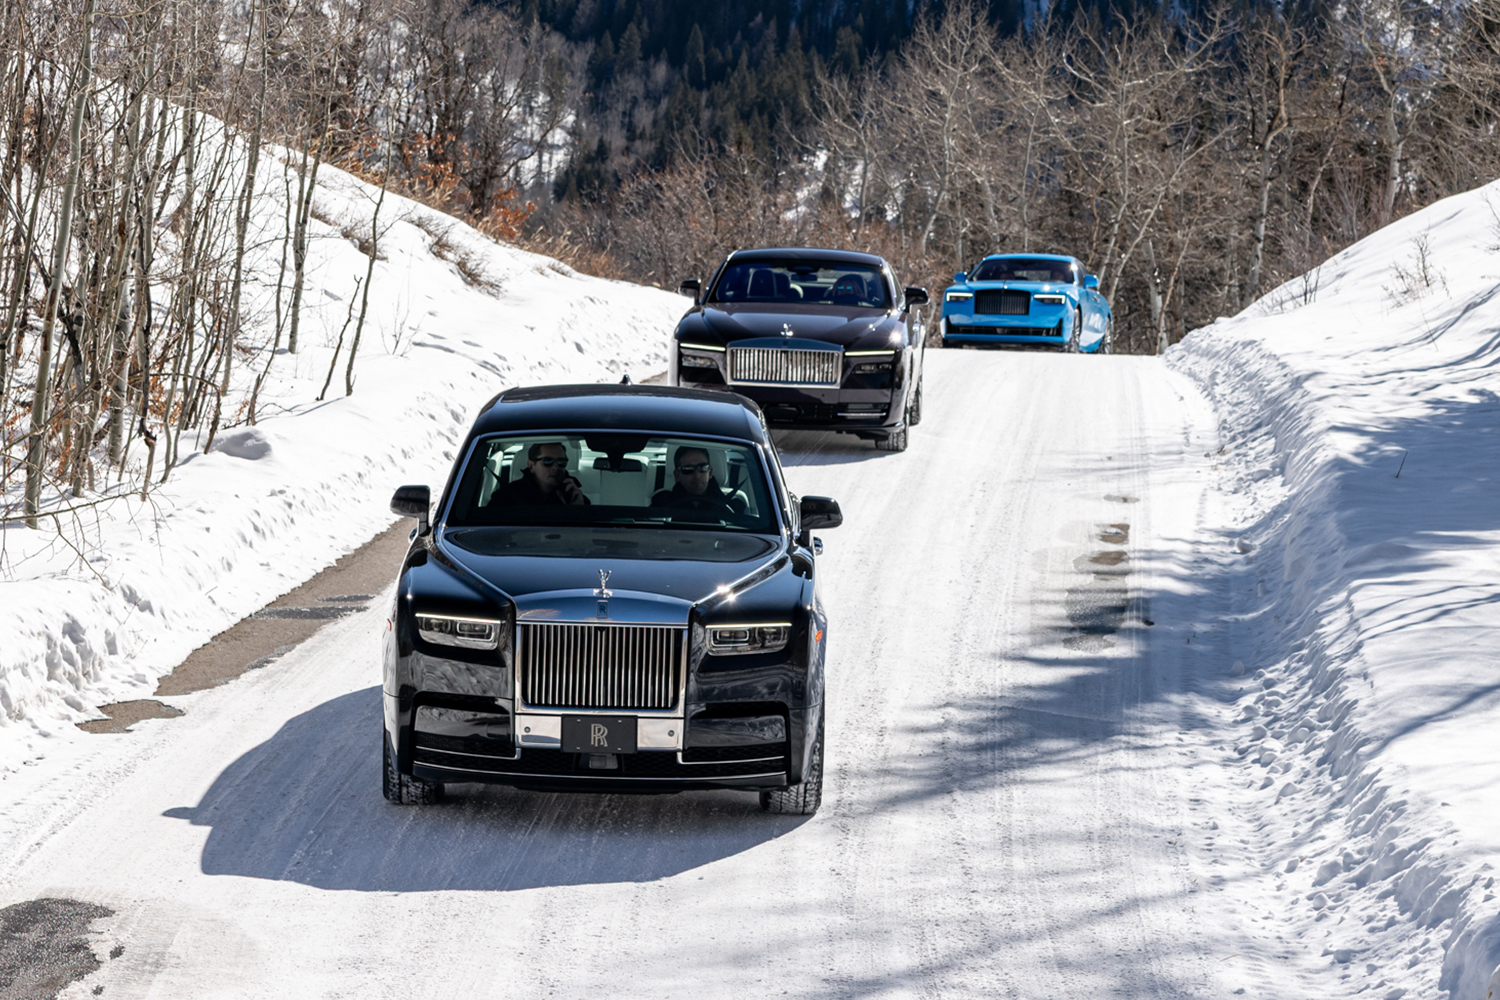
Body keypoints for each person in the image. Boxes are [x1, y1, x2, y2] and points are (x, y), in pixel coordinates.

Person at [487, 442, 590, 506]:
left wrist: (579, 509)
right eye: (547, 461)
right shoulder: (505, 497)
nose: (555, 467)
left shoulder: (573, 495)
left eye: (561, 462)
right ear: (531, 466)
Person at [651, 447, 746, 514]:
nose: (697, 475)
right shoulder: (661, 504)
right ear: (677, 475)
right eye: (688, 469)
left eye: (703, 467)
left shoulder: (734, 507)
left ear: (710, 472)